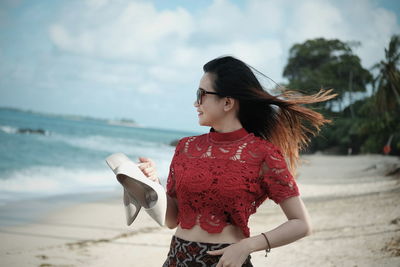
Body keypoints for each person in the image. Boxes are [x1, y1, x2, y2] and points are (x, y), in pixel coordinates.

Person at [138, 55, 337, 267]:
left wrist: (247, 246)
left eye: (202, 94)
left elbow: (301, 224)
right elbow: (172, 220)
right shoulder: (186, 147)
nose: (196, 102)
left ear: (227, 102)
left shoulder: (263, 154)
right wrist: (152, 186)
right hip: (177, 260)